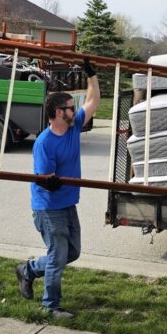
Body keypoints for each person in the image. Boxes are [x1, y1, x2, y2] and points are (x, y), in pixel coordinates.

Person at [15, 59, 100, 319]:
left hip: (67, 203)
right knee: (57, 256)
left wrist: (92, 75)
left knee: (71, 253)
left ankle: (28, 270)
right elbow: (44, 178)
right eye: (69, 108)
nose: (75, 111)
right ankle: (50, 306)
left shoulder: (74, 127)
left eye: (74, 107)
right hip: (48, 207)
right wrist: (48, 180)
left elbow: (93, 101)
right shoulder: (45, 143)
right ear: (57, 113)